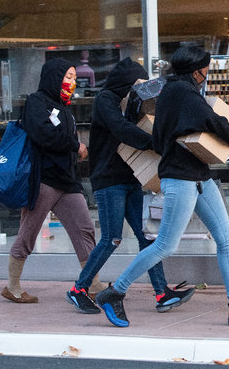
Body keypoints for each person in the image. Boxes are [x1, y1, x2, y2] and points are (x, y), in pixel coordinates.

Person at [95, 46, 229, 327]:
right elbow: (213, 121)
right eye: (207, 69)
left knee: (225, 239)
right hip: (180, 178)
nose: (208, 74)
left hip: (198, 176)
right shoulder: (182, 92)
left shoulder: (173, 90)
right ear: (196, 70)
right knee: (165, 245)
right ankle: (114, 292)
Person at [65, 57, 194, 315]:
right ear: (126, 82)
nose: (139, 88)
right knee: (112, 238)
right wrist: (155, 142)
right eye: (136, 83)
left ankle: (162, 293)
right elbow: (121, 129)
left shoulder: (132, 102)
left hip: (131, 178)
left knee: (146, 237)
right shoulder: (106, 100)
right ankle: (78, 289)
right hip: (108, 180)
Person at [2, 58, 95, 303]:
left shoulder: (64, 108)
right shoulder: (36, 102)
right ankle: (12, 286)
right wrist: (76, 146)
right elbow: (43, 135)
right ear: (55, 77)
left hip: (67, 181)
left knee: (84, 229)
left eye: (74, 78)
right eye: (69, 77)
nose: (72, 83)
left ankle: (92, 283)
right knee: (28, 233)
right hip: (42, 180)